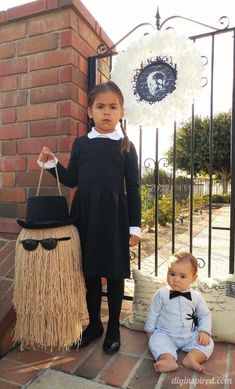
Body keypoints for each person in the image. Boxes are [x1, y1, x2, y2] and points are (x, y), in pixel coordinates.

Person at [37, 81, 141, 354]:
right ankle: (94, 324)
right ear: (89, 111)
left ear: (121, 112)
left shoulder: (126, 146)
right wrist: (52, 163)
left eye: (113, 107)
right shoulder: (81, 144)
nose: (106, 112)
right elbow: (72, 180)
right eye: (100, 106)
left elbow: (135, 187)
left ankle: (114, 327)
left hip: (115, 216)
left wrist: (135, 227)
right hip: (85, 215)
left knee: (116, 273)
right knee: (91, 271)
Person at [144, 250, 214, 373]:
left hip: (190, 335)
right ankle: (168, 360)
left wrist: (204, 331)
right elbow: (153, 313)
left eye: (182, 276)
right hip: (166, 334)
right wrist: (150, 331)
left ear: (193, 279)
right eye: (172, 274)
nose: (176, 279)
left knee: (208, 343)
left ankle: (192, 358)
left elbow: (205, 314)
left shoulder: (196, 297)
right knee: (156, 341)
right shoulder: (161, 294)